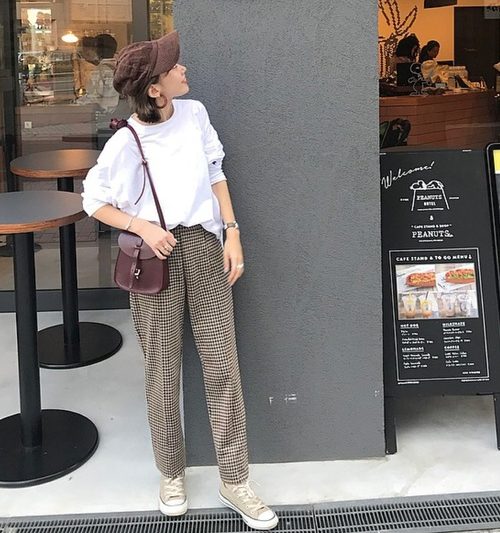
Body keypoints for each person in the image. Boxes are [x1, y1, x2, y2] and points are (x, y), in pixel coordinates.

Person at [81, 31, 278, 531]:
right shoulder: (126, 141)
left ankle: (235, 479)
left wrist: (232, 232)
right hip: (155, 254)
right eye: (174, 67)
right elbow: (93, 199)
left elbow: (215, 172)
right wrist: (143, 226)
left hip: (205, 246)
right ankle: (171, 473)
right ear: (155, 88)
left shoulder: (195, 114)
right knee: (162, 370)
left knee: (222, 365)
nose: (184, 69)